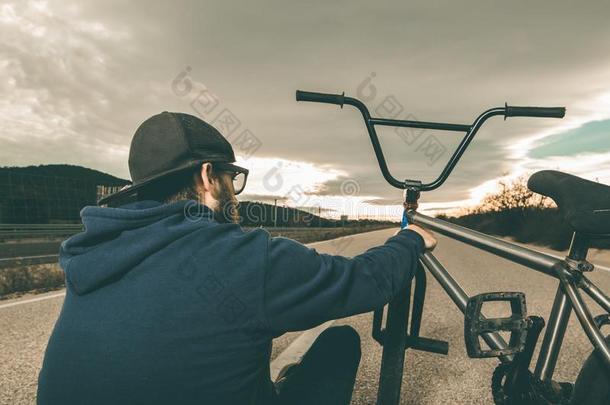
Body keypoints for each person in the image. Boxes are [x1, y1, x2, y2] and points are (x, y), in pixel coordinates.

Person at [37, 112, 436, 405]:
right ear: (209, 177)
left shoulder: (95, 252)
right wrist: (409, 240)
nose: (235, 193)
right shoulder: (241, 257)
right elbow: (365, 281)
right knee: (339, 343)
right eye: (233, 179)